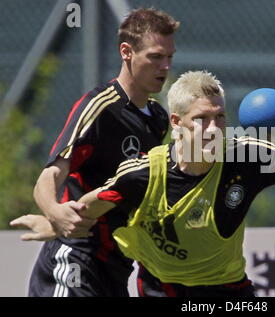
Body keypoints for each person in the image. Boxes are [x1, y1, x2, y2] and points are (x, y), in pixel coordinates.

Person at [13, 70, 275, 297]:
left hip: (228, 288)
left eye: (219, 117)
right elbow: (92, 207)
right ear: (177, 123)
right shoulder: (142, 173)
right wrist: (55, 222)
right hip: (161, 287)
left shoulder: (246, 156)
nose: (213, 128)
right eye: (201, 119)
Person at [12, 8, 179, 297]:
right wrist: (54, 214)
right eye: (155, 57)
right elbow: (50, 174)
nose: (164, 67)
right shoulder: (100, 107)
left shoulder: (158, 118)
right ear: (126, 52)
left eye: (169, 57)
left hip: (116, 269)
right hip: (76, 262)